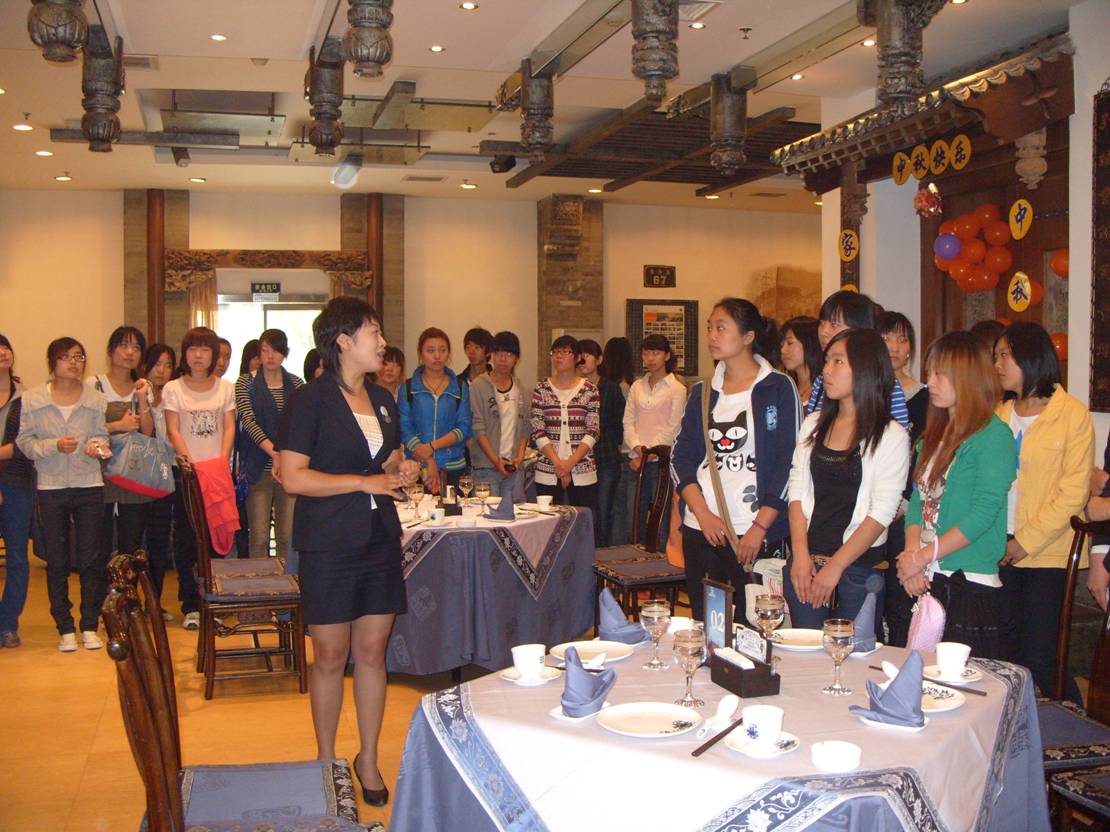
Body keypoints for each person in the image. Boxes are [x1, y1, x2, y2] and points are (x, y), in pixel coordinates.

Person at [278, 297, 419, 810]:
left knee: (373, 653)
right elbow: (292, 477)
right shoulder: (310, 400)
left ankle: (369, 758)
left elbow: (389, 459)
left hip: (378, 537)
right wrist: (365, 482)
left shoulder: (382, 398)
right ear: (343, 341)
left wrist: (401, 470)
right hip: (328, 542)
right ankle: (325, 761)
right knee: (331, 656)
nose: (382, 342)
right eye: (373, 332)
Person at [671, 298, 801, 622]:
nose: (712, 336)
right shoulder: (702, 392)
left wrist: (760, 527)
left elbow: (790, 462)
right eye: (709, 328)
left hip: (755, 529)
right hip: (702, 527)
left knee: (755, 625)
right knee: (708, 624)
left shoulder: (778, 387)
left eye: (721, 328)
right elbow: (680, 456)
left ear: (748, 336)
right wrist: (702, 513)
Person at [895, 331, 1016, 660]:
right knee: (919, 676)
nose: (931, 382)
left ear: (968, 377)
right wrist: (912, 557)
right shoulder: (933, 436)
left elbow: (983, 513)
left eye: (941, 374)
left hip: (970, 582)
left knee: (964, 683)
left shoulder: (993, 436)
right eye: (930, 372)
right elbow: (918, 502)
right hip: (928, 577)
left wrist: (922, 557)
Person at [784, 329, 910, 627]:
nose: (827, 370)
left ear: (865, 368)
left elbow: (882, 511)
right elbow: (797, 490)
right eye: (827, 361)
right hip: (806, 564)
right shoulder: (813, 423)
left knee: (851, 651)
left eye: (838, 362)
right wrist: (800, 555)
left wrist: (836, 566)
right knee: (805, 649)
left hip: (858, 570)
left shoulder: (891, 435)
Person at [994, 322, 1094, 694]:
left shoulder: (1072, 414)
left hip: (1047, 553)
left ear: (1030, 357)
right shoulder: (1000, 413)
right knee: (1007, 651)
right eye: (996, 357)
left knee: (1041, 654)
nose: (997, 365)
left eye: (1004, 355)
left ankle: (1070, 720)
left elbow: (1072, 493)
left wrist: (1024, 541)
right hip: (998, 546)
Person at [16, 337, 110, 651]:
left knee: (90, 558)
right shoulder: (32, 399)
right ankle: (65, 627)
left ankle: (89, 624)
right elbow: (24, 442)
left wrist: (96, 446)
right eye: (66, 356)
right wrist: (53, 446)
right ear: (52, 362)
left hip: (89, 482)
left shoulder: (96, 399)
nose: (74, 362)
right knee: (56, 559)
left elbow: (101, 436)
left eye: (79, 356)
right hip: (51, 484)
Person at [163, 327, 237, 629]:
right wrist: (190, 465)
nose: (198, 355)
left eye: (204, 350)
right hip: (188, 475)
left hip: (217, 475)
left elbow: (229, 426)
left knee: (217, 539)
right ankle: (191, 605)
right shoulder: (173, 388)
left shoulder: (225, 388)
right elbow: (173, 428)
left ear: (213, 355)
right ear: (185, 354)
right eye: (193, 349)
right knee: (187, 540)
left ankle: (214, 601)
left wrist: (220, 462)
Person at [877, 311, 929, 646]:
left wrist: (904, 503)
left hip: (904, 514)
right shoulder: (866, 392)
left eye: (902, 338)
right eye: (886, 338)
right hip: (866, 511)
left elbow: (924, 458)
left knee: (900, 603)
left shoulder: (926, 397)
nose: (895, 346)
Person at [89, 326, 155, 573]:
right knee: (99, 544)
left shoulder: (143, 386)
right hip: (100, 474)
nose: (130, 352)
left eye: (136, 347)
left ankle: (128, 597)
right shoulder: (94, 385)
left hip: (133, 473)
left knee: (132, 546)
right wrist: (118, 426)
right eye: (124, 345)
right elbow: (86, 431)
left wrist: (142, 398)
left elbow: (147, 433)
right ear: (111, 350)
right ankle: (100, 596)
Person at [236, 329, 305, 560]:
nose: (270, 356)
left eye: (276, 350)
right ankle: (260, 582)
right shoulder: (246, 382)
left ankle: (286, 580)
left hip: (289, 468)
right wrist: (275, 454)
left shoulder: (296, 383)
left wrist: (283, 457)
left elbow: (299, 425)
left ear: (285, 353)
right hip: (258, 468)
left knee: (287, 535)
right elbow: (249, 421)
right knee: (259, 536)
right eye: (265, 350)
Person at [617, 334, 686, 550]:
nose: (650, 358)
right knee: (633, 519)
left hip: (661, 463)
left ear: (666, 356)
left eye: (656, 353)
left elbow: (673, 427)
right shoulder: (637, 386)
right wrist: (638, 449)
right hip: (635, 461)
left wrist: (648, 454)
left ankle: (660, 562)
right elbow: (628, 421)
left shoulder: (677, 389)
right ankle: (635, 560)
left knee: (660, 521)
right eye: (646, 353)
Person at [807, 291, 909, 430]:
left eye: (834, 324)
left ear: (859, 329)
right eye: (821, 323)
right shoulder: (821, 381)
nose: (823, 332)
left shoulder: (886, 384)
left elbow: (899, 436)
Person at [530, 335, 600, 511]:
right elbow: (538, 429)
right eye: (555, 352)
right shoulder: (541, 388)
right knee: (548, 520)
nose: (558, 356)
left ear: (577, 358)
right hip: (548, 470)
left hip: (583, 470)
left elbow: (593, 430)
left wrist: (570, 463)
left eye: (565, 352)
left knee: (583, 519)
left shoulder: (589, 389)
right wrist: (558, 463)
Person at [398, 328, 471, 494]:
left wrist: (432, 447)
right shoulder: (408, 388)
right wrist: (429, 460)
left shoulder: (460, 387)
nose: (437, 356)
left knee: (454, 510)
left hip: (453, 466)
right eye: (430, 351)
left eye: (442, 350)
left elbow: (464, 427)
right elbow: (404, 428)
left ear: (448, 353)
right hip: (416, 468)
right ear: (421, 354)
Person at [139, 343, 178, 617]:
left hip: (167, 473)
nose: (162, 370)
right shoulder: (139, 391)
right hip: (139, 473)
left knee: (159, 540)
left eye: (168, 365)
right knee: (133, 540)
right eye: (157, 364)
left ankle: (153, 602)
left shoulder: (175, 394)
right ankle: (128, 603)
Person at [0, 334, 33, 647]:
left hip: (17, 485)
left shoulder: (27, 398)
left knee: (17, 558)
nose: (2, 352)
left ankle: (8, 623)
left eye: (5, 346)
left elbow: (24, 445)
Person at [469, 331, 528, 497]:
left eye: (509, 355)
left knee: (516, 512)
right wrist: (495, 460)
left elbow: (525, 427)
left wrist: (520, 456)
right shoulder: (478, 386)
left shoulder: (522, 390)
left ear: (516, 358)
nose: (503, 359)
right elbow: (477, 427)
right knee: (487, 511)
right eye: (499, 353)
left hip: (513, 467)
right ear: (492, 355)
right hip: (486, 467)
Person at [579, 339, 625, 546]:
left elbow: (620, 422)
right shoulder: (574, 388)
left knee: (604, 509)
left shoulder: (610, 388)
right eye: (579, 354)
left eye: (588, 354)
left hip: (606, 457)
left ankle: (604, 555)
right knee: (585, 510)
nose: (583, 359)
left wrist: (616, 446)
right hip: (580, 460)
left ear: (599, 360)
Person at [779, 316, 822, 405]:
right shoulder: (784, 388)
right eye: (781, 345)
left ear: (810, 343)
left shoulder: (825, 389)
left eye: (790, 343)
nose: (783, 350)